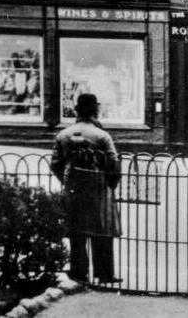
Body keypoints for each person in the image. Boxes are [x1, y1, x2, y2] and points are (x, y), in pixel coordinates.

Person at [51, 93, 122, 284]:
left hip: (74, 189)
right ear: (95, 111)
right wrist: (111, 183)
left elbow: (55, 164)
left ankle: (79, 272)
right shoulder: (102, 136)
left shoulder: (63, 134)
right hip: (99, 189)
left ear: (77, 111)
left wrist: (66, 181)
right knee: (103, 231)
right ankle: (105, 273)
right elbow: (113, 164)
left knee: (77, 232)